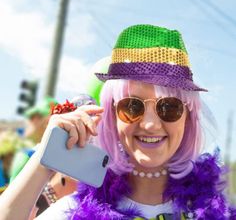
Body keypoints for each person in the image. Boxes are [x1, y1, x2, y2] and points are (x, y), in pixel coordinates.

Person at [0, 24, 235, 220]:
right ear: (112, 117)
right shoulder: (74, 212)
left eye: (169, 107)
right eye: (132, 106)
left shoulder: (214, 212)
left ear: (188, 119)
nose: (151, 124)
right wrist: (45, 157)